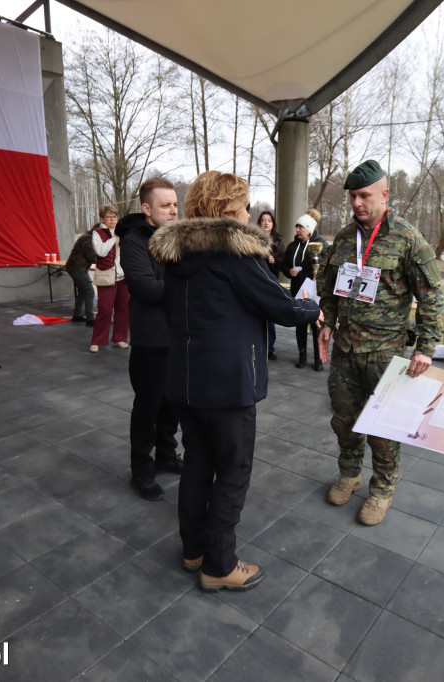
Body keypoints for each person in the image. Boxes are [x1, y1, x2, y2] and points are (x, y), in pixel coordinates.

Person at [150, 170, 321, 592]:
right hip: (227, 386)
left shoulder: (176, 255)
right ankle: (219, 564)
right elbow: (280, 306)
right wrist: (313, 311)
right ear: (227, 209)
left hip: (186, 382)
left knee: (197, 466)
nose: (249, 213)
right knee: (233, 471)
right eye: (243, 205)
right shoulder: (235, 255)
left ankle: (194, 550)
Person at [316, 159, 444, 526]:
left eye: (364, 195)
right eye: (353, 196)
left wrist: (425, 347)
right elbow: (327, 286)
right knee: (344, 420)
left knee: (384, 429)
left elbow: (432, 298)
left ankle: (382, 490)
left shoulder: (408, 238)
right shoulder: (343, 238)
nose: (357, 203)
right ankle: (349, 474)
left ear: (385, 195)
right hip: (345, 350)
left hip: (386, 354)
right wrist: (326, 322)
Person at [116, 178, 184, 502]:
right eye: (165, 205)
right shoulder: (132, 241)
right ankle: (141, 471)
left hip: (177, 338)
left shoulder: (177, 238)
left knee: (172, 405)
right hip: (150, 341)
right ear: (147, 209)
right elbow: (144, 286)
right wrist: (186, 288)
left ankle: (167, 455)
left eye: (174, 204)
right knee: (147, 409)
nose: (173, 210)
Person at [281, 209, 328, 371]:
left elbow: (329, 266)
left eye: (301, 227)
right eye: (296, 227)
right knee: (300, 325)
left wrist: (320, 271)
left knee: (316, 326)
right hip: (298, 291)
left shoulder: (321, 245)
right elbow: (284, 265)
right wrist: (289, 272)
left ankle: (318, 358)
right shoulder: (292, 246)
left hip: (315, 292)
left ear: (309, 228)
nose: (297, 230)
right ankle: (302, 356)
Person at [88, 205, 129, 353]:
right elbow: (101, 251)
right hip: (107, 276)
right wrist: (114, 238)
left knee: (123, 309)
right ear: (103, 219)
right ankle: (97, 341)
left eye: (114, 217)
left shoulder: (122, 232)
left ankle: (120, 338)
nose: (112, 219)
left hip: (123, 277)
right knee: (105, 309)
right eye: (109, 217)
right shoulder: (98, 233)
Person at [258, 210, 286, 360]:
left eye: (269, 220)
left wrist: (275, 261)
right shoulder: (253, 239)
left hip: (271, 282)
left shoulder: (279, 242)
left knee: (269, 317)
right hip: (256, 282)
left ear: (273, 224)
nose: (266, 223)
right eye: (263, 220)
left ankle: (270, 347)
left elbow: (284, 263)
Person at [65, 231, 96, 323]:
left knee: (83, 292)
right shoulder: (88, 239)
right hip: (77, 268)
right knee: (89, 291)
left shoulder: (88, 237)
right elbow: (92, 257)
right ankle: (90, 319)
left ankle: (77, 315)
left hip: (77, 267)